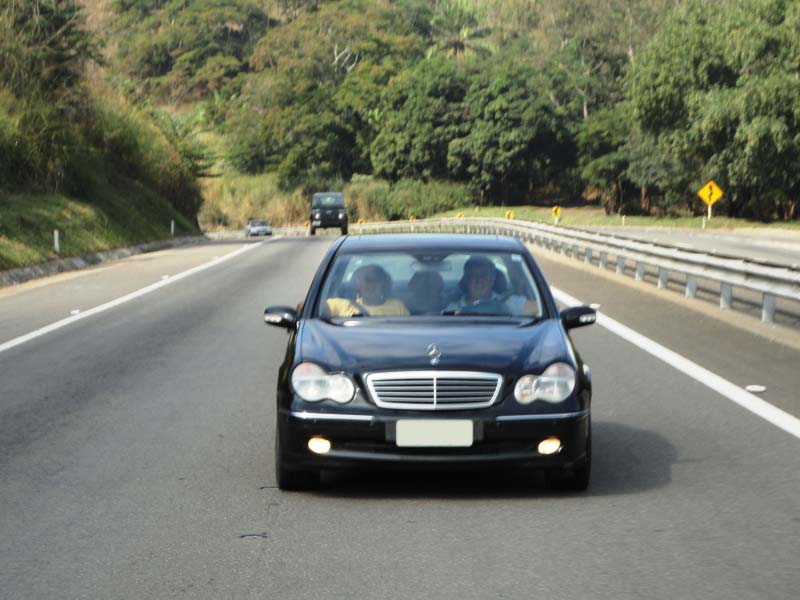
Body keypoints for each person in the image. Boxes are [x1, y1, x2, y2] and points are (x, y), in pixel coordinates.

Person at [445, 255, 535, 316]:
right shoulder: (453, 309)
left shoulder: (510, 302)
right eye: (473, 276)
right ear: (467, 280)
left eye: (483, 276)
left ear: (492, 280)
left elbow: (540, 311)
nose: (479, 280)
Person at [324, 264, 410, 317]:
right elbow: (316, 308)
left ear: (384, 284)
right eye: (368, 280)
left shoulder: (398, 307)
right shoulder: (344, 305)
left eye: (376, 279)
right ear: (357, 285)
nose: (372, 285)